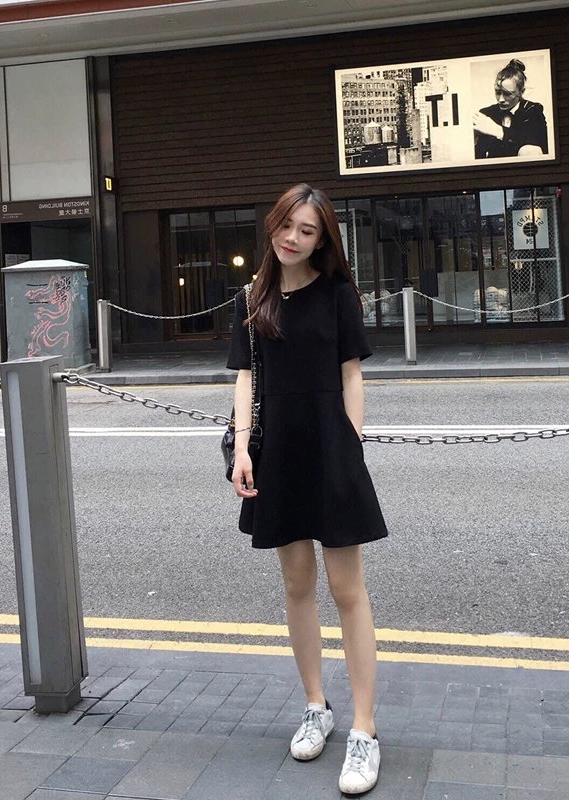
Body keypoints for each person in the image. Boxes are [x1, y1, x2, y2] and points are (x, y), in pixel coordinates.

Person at [227, 184, 388, 795]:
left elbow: (352, 376)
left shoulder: (338, 294)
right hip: (277, 454)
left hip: (330, 449)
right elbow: (246, 378)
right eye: (286, 225)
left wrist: (351, 447)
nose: (292, 238)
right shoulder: (253, 297)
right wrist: (244, 449)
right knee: (297, 585)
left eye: (307, 230)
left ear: (323, 241)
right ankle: (316, 706)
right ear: (272, 224)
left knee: (348, 589)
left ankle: (364, 730)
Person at [473, 58, 549, 159]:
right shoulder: (486, 113)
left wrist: (496, 130)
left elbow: (537, 145)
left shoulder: (533, 110)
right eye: (497, 92)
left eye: (507, 94)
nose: (501, 99)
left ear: (521, 91)